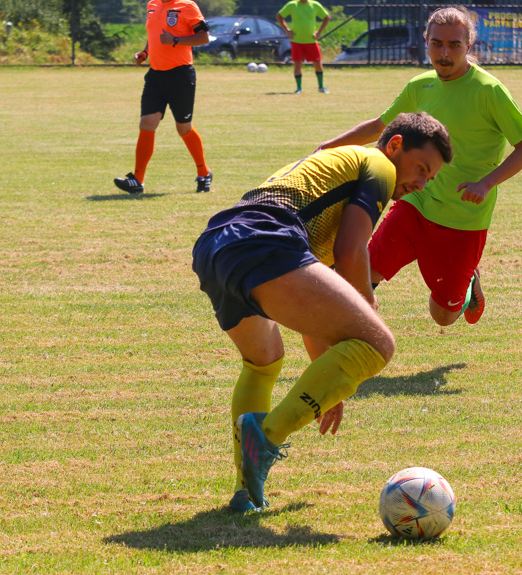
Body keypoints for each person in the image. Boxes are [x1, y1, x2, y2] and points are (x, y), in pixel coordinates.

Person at [192, 113, 453, 511]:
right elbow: (353, 251)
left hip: (218, 244)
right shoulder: (379, 164)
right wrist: (368, 307)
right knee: (378, 342)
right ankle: (268, 436)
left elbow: (311, 309)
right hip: (265, 239)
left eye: (429, 178)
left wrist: (326, 385)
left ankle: (246, 491)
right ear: (396, 145)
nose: (420, 183)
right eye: (421, 169)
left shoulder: (334, 175)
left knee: (263, 363)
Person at [315, 6, 522, 328]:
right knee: (362, 273)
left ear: (469, 47)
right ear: (426, 41)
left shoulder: (490, 92)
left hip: (463, 217)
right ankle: (347, 341)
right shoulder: (420, 86)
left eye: (454, 45)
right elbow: (380, 125)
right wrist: (327, 147)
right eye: (436, 44)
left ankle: (469, 282)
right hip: (416, 203)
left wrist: (485, 183)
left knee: (443, 316)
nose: (444, 54)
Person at [114, 0, 213, 195]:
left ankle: (204, 172)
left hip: (180, 75)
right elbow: (154, 36)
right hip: (155, 75)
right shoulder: (152, 4)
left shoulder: (187, 6)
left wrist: (176, 40)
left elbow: (203, 38)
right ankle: (137, 180)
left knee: (183, 128)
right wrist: (145, 52)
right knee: (147, 123)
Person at [276, 0, 331, 94]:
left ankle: (321, 86)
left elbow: (327, 17)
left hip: (311, 40)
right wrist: (287, 30)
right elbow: (279, 16)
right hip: (296, 40)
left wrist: (319, 32)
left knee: (317, 63)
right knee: (297, 64)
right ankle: (299, 88)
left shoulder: (315, 5)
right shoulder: (292, 5)